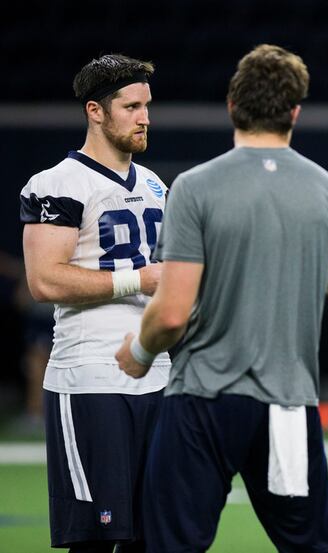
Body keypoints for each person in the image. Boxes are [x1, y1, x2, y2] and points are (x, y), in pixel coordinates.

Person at [114, 44, 328, 553]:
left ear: (233, 105)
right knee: (314, 546)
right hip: (287, 404)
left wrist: (140, 352)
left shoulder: (194, 187)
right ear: (295, 112)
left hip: (201, 402)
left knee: (170, 545)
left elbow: (171, 312)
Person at [19, 54, 168, 553]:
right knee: (97, 539)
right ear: (95, 111)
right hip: (90, 378)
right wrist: (138, 279)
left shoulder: (154, 185)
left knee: (157, 535)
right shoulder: (57, 183)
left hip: (158, 373)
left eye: (147, 105)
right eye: (131, 106)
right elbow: (46, 281)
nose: (144, 117)